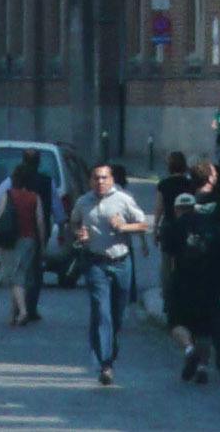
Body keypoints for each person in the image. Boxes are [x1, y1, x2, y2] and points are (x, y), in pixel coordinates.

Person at [70, 159, 149, 387]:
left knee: (117, 314)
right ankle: (105, 364)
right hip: (96, 263)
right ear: (90, 180)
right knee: (101, 311)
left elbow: (143, 224)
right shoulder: (83, 202)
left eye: (105, 177)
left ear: (112, 179)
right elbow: (74, 223)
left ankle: (109, 352)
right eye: (96, 178)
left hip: (121, 262)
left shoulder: (123, 200)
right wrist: (79, 233)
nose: (100, 182)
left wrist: (124, 227)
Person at [168, 156, 220, 388]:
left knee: (178, 320)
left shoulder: (185, 205)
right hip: (215, 271)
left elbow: (170, 247)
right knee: (208, 322)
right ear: (211, 177)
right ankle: (205, 363)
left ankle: (190, 351)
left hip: (184, 274)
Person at [3, 158, 46, 328]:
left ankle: (22, 311)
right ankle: (13, 313)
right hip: (29, 239)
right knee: (22, 274)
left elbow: (0, 215)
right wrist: (41, 243)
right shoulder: (34, 197)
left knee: (15, 276)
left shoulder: (9, 195)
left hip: (11, 239)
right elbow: (40, 222)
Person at [18, 150, 54, 324]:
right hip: (39, 230)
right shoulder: (47, 181)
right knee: (36, 270)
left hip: (18, 230)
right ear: (39, 163)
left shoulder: (14, 180)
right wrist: (61, 224)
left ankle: (19, 305)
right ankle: (30, 307)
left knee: (19, 268)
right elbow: (56, 205)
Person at [154, 149, 191, 306]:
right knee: (185, 259)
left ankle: (167, 295)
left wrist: (155, 227)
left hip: (168, 224)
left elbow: (159, 208)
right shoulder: (190, 184)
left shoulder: (164, 184)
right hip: (187, 225)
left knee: (166, 262)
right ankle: (184, 292)